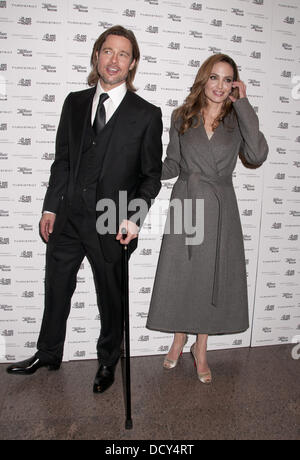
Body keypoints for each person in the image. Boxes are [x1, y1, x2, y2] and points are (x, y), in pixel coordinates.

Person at [7, 25, 163, 393]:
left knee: (111, 299)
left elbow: (151, 177)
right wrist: (50, 207)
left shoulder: (146, 114)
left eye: (123, 54)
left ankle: (108, 362)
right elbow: (62, 160)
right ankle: (48, 352)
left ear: (133, 63)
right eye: (108, 51)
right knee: (56, 289)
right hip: (68, 219)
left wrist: (134, 217)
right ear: (96, 56)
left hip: (113, 221)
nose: (114, 60)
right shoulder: (74, 102)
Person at [146, 53, 268, 384]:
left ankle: (201, 348)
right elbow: (172, 164)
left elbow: (257, 155)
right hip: (186, 200)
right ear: (204, 78)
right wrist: (141, 171)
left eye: (228, 79)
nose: (220, 85)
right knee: (184, 275)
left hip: (219, 206)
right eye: (214, 77)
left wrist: (244, 106)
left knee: (210, 277)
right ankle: (179, 337)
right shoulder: (182, 116)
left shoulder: (238, 120)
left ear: (235, 86)